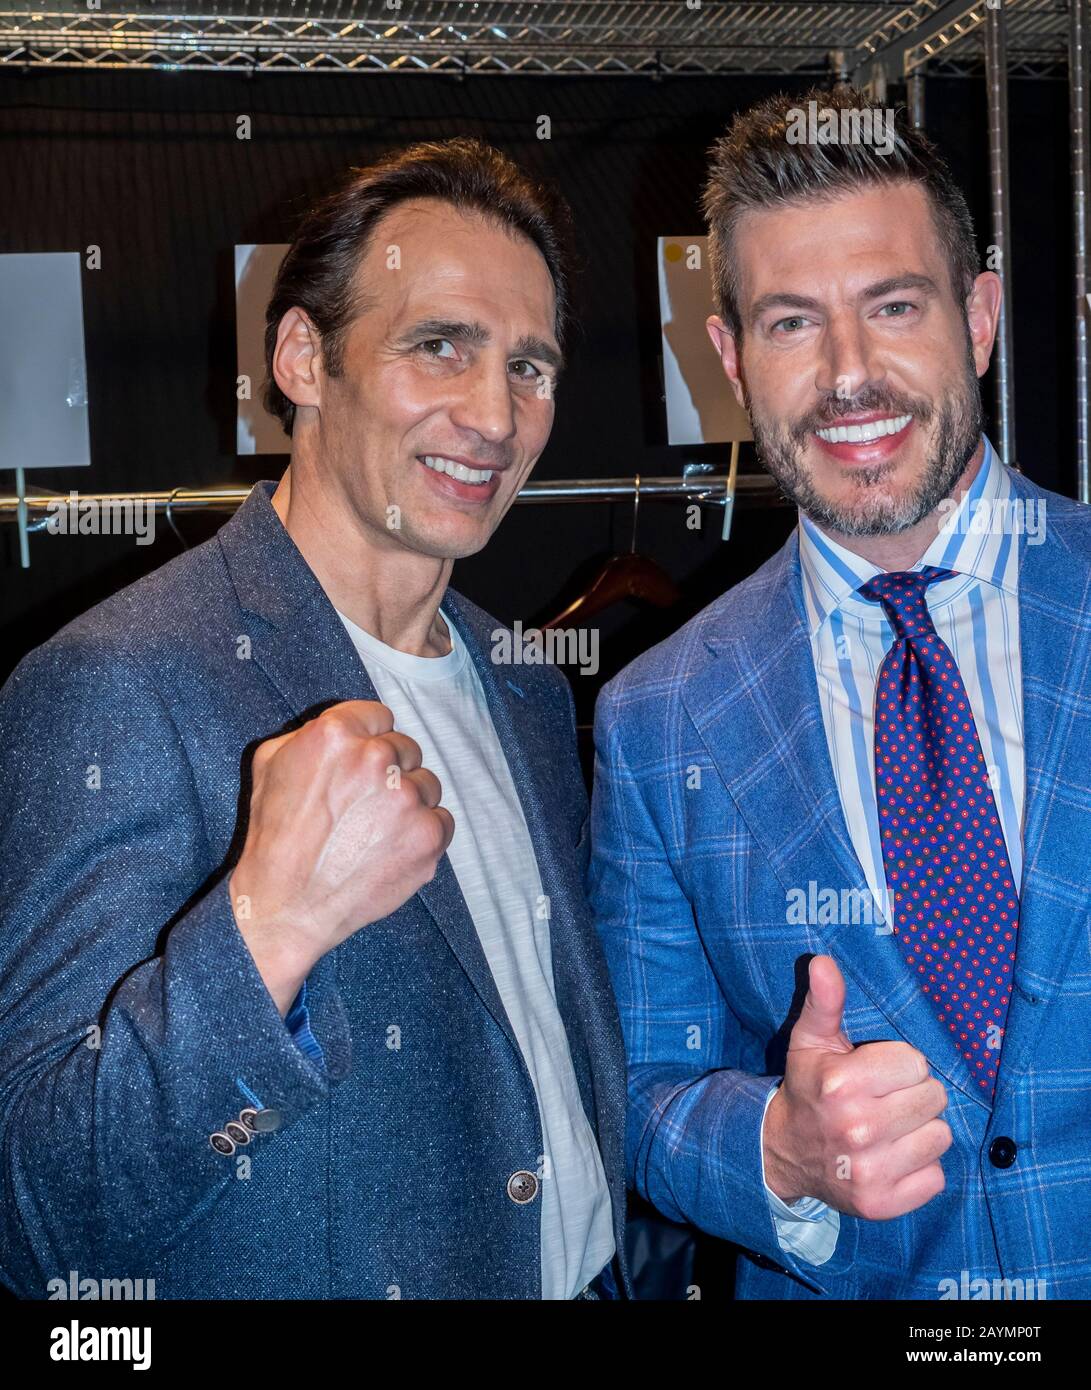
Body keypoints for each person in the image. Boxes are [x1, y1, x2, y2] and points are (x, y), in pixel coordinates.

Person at [0, 138, 629, 1301]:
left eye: (529, 367)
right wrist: (264, 933)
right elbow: (36, 1214)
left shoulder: (528, 686)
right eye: (438, 344)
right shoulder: (118, 679)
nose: (492, 414)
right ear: (300, 356)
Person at [589, 86, 1091, 1298]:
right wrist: (774, 1148)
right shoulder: (656, 720)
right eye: (790, 324)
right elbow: (643, 1095)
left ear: (976, 317)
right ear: (728, 357)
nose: (848, 377)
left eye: (893, 306)